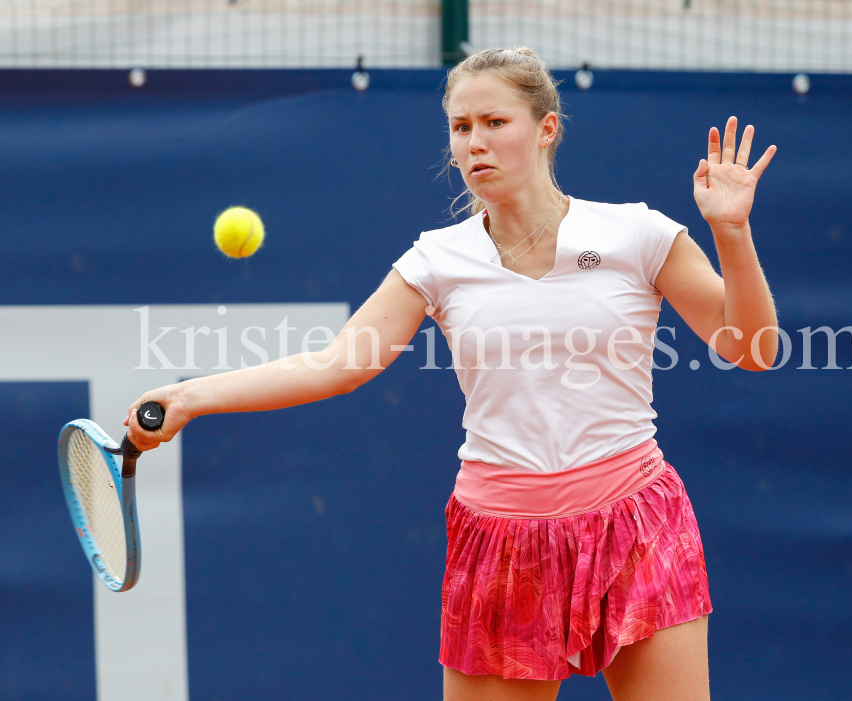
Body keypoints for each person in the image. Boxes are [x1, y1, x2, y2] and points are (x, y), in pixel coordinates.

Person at [125, 47, 778, 701]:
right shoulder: (439, 259)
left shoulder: (637, 234)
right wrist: (189, 395)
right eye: (461, 128)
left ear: (546, 128)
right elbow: (336, 364)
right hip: (500, 541)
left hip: (634, 525)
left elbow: (752, 348)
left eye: (495, 122)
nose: (475, 143)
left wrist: (732, 232)